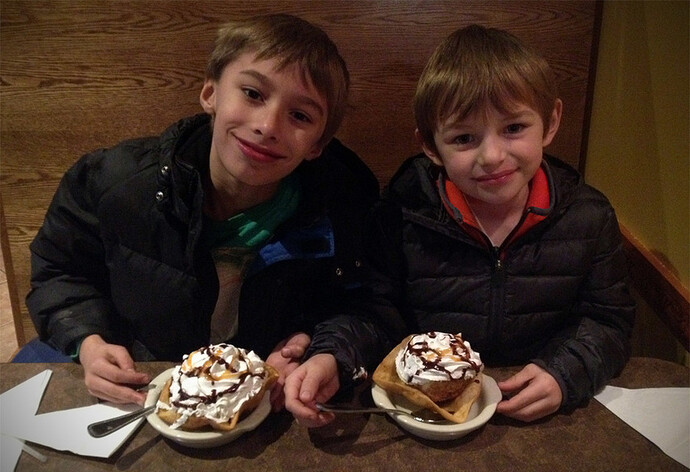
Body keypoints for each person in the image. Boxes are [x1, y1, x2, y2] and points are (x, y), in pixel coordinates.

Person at [26, 14, 383, 414]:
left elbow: (364, 306)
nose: (268, 126)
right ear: (211, 93)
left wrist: (322, 351)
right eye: (252, 93)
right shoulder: (113, 182)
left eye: (300, 116)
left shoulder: (344, 202)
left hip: (263, 403)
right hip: (144, 386)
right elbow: (59, 272)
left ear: (317, 144)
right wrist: (89, 341)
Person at [285, 24, 635, 426]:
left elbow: (608, 322)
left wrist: (565, 373)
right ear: (431, 146)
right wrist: (333, 356)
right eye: (464, 138)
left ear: (551, 121)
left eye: (514, 128)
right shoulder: (399, 218)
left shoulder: (588, 217)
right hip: (424, 413)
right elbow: (372, 315)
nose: (492, 156)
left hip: (537, 412)